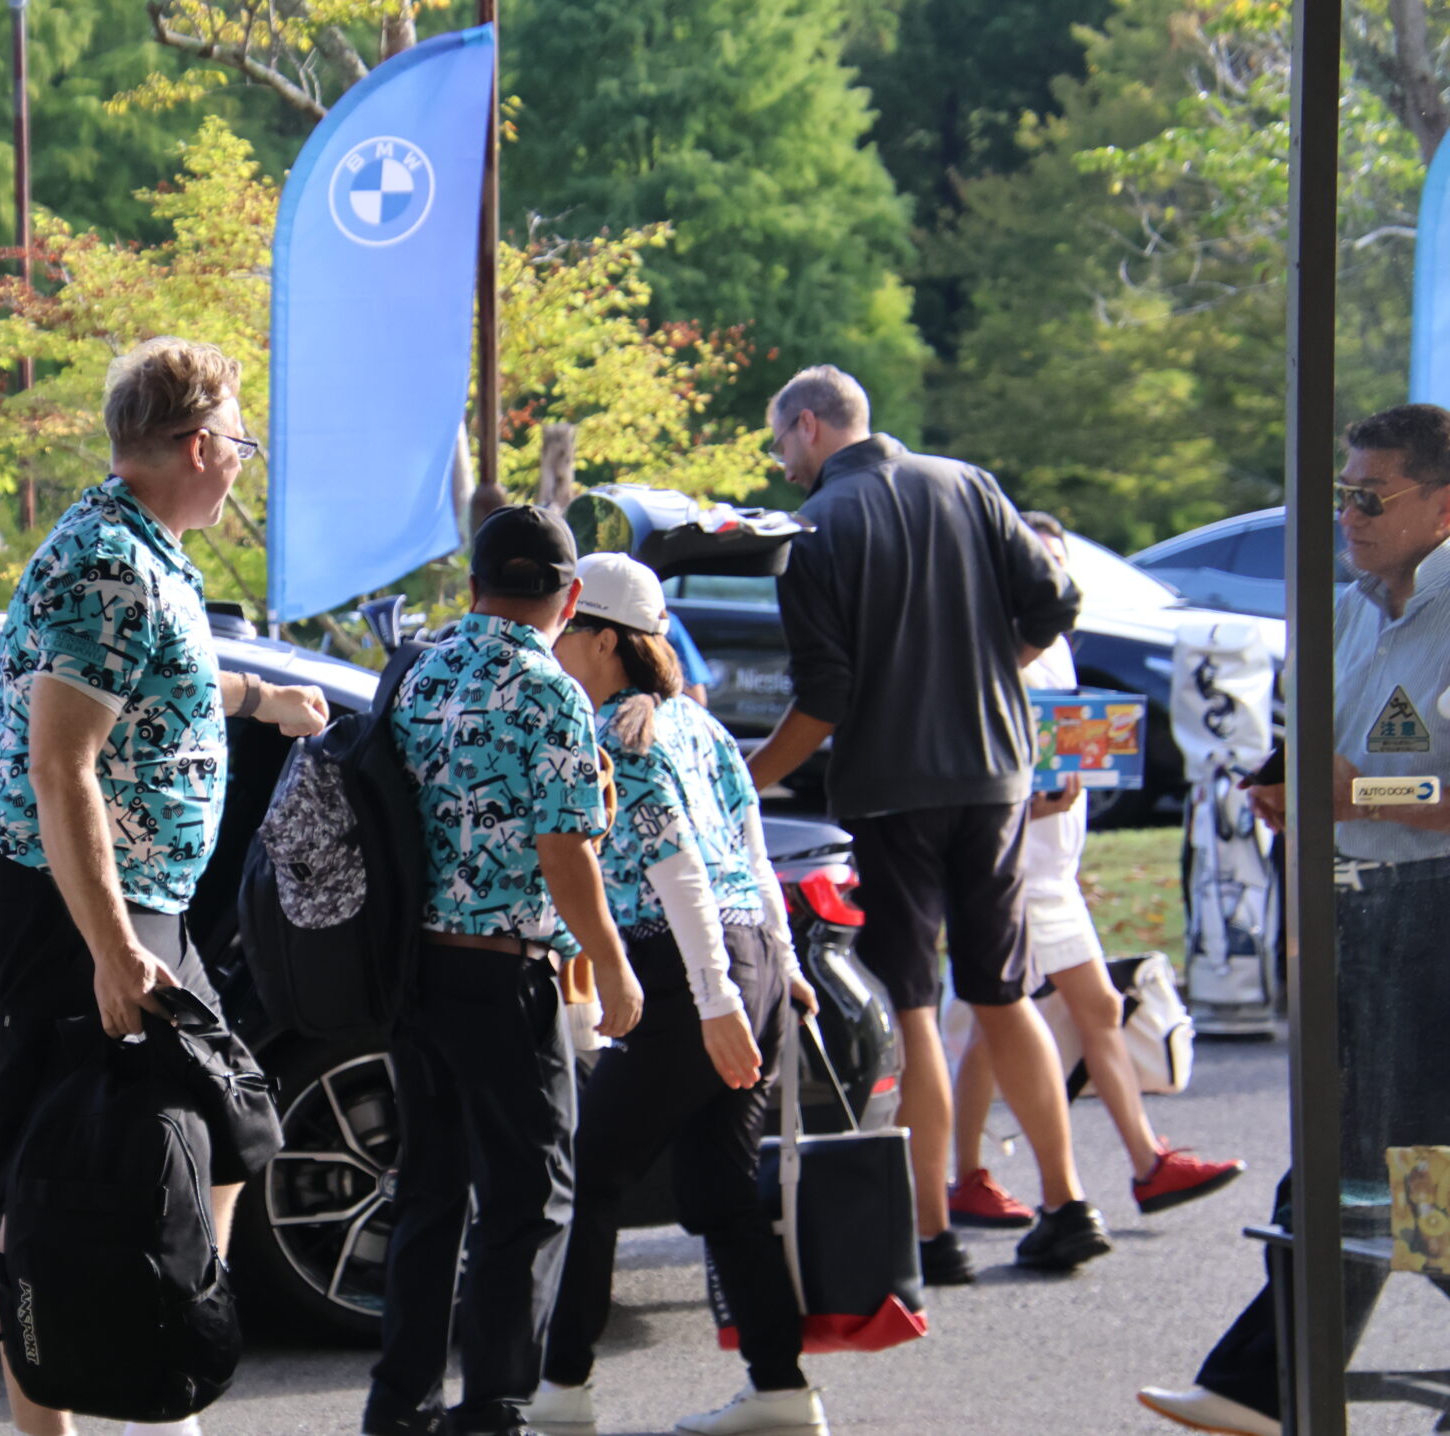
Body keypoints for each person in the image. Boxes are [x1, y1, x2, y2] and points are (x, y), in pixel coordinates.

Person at [0, 336, 328, 1436]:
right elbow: (59, 765)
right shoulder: (108, 561)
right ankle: (104, 1407)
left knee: (228, 1125)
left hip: (136, 905)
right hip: (73, 910)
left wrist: (260, 697)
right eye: (241, 447)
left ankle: (164, 1356)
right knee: (56, 1188)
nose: (242, 468)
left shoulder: (144, 548)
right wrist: (113, 949)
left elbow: (162, 674)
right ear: (200, 444)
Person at [743, 364, 1107, 1284]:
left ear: (811, 425)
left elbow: (825, 698)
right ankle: (1068, 1204)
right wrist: (991, 666)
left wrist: (743, 780)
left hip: (890, 788)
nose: (782, 464)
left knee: (913, 1001)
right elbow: (1056, 603)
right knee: (1001, 991)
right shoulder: (969, 484)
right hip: (995, 779)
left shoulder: (815, 530)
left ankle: (933, 1233)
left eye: (780, 443)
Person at [1139, 404, 1450, 1436]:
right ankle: (1261, 1385)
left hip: (1432, 913)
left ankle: (1259, 1385)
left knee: (1361, 1156)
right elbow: (1328, 758)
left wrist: (1360, 795)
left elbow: (1408, 788)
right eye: (1341, 494)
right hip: (1357, 909)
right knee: (1399, 1169)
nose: (1347, 514)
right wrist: (1288, 784)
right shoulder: (1348, 611)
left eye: (1370, 496)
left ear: (1443, 506)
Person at [530, 554, 829, 1436]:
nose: (556, 643)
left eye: (570, 629)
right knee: (720, 1187)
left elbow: (679, 869)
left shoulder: (625, 733)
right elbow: (753, 849)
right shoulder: (699, 726)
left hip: (691, 969)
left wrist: (715, 1000)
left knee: (590, 1172)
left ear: (608, 642)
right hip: (751, 957)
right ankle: (781, 1390)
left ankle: (563, 1387)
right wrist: (781, 968)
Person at [363, 505, 642, 1436]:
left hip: (415, 974)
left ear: (476, 586)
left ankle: (399, 1404)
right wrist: (615, 967)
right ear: (569, 596)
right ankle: (493, 1408)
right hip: (504, 976)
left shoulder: (418, 670)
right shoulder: (550, 690)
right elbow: (566, 853)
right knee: (529, 1197)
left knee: (429, 1193)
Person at [946, 512, 1245, 1230]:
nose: (1051, 578)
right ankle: (995, 1176)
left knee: (1069, 1014)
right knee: (1006, 1020)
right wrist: (1030, 811)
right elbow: (963, 773)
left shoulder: (1052, 648)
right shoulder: (985, 651)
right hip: (1009, 869)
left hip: (1051, 870)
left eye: (1059, 564)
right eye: (1037, 563)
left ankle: (1127, 1165)